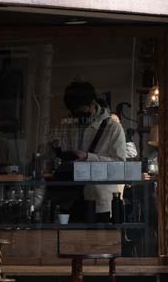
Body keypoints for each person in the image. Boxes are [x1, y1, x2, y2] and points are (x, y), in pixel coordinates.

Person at [50, 81, 130, 219]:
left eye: (81, 113)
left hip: (99, 202)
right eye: (74, 114)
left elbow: (119, 167)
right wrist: (58, 148)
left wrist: (88, 157)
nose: (78, 118)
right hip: (72, 200)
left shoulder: (113, 128)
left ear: (93, 105)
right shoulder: (70, 124)